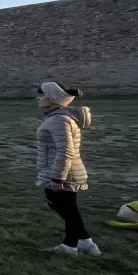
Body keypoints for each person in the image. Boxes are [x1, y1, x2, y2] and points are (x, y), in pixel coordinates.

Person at [36, 82, 100, 255]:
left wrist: (58, 177)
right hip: (63, 170)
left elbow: (65, 150)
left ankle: (71, 245)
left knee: (62, 205)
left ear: (50, 99)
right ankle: (84, 242)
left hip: (64, 172)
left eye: (42, 96)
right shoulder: (59, 117)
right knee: (67, 207)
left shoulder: (59, 119)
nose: (38, 99)